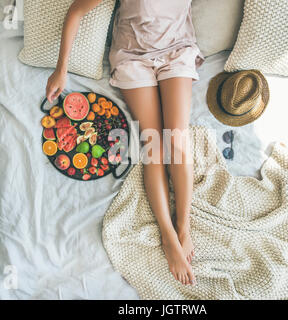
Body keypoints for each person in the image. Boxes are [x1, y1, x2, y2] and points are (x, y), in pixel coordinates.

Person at [46, 0, 205, 286]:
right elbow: (76, 10)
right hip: (133, 59)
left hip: (176, 53)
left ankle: (183, 226)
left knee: (178, 142)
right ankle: (168, 237)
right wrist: (61, 68)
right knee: (154, 144)